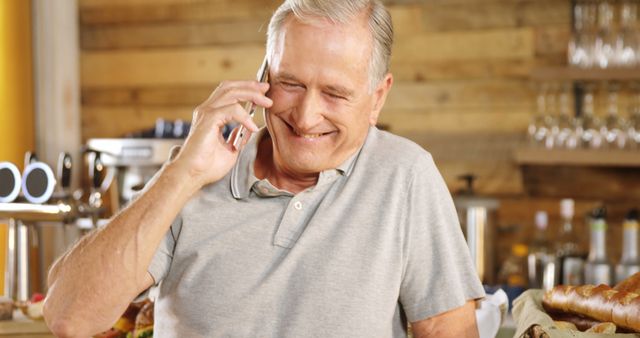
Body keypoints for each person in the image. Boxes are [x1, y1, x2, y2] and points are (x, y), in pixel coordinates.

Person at [43, 0, 485, 337]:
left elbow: (449, 332)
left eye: (334, 93)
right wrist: (181, 174)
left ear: (378, 98)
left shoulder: (405, 175)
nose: (306, 116)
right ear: (262, 77)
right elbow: (68, 317)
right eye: (290, 83)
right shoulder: (194, 176)